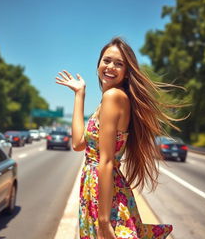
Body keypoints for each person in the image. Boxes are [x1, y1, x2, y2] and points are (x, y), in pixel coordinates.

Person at [56, 37, 174, 239]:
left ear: (127, 72)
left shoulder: (114, 98)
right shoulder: (107, 102)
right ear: (99, 64)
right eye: (107, 60)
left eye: (119, 64)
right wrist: (79, 94)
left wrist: (103, 221)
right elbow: (78, 144)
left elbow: (107, 161)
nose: (110, 67)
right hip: (96, 191)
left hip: (105, 196)